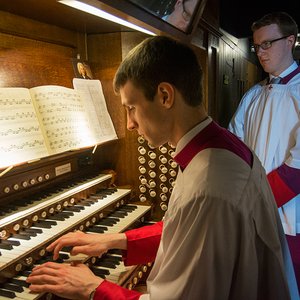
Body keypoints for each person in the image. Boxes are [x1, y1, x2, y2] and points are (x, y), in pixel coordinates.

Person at [27, 36, 298, 299]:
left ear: (165, 96)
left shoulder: (209, 184)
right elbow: (187, 233)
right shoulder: (217, 146)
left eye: (132, 107)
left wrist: (93, 288)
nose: (130, 124)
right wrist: (115, 241)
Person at [228, 11, 300, 293]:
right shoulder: (253, 95)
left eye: (267, 43)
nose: (260, 52)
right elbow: (234, 147)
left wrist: (255, 201)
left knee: (287, 289)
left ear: (290, 41)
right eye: (257, 46)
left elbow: (297, 168)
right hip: (251, 213)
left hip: (289, 218)